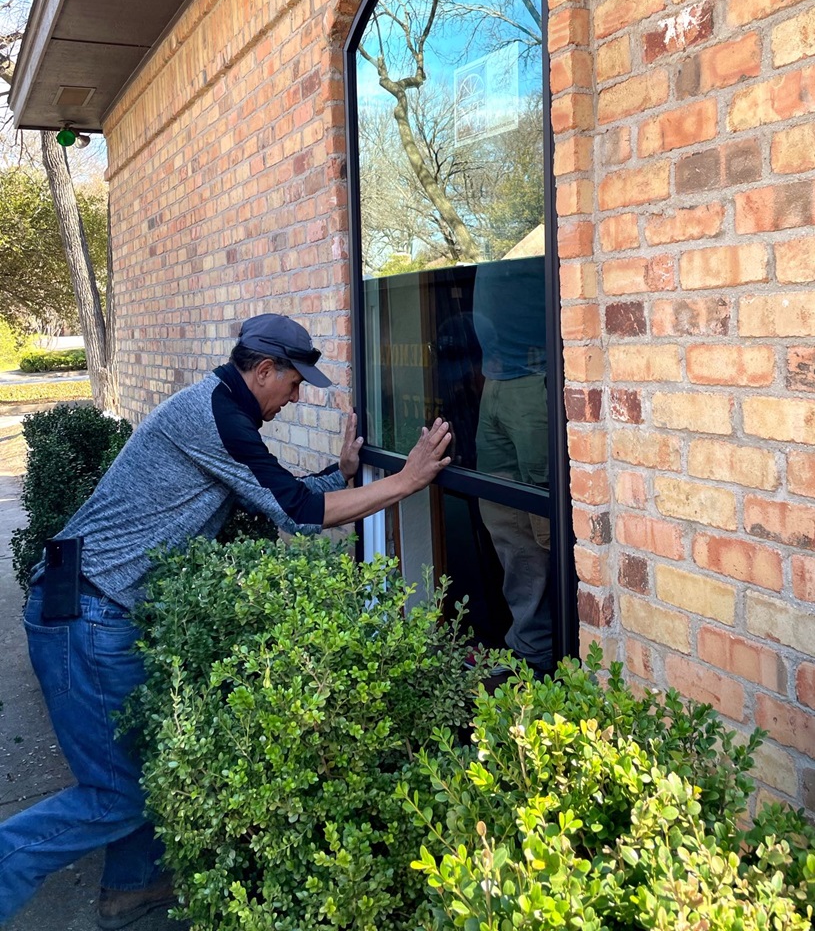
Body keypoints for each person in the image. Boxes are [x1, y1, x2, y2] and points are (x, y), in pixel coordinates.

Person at [0, 313, 451, 929]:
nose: (295, 398)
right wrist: (407, 480)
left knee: (137, 765)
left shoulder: (221, 407)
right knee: (115, 793)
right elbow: (299, 513)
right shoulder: (215, 415)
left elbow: (273, 495)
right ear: (263, 370)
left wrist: (343, 474)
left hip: (94, 605)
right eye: (294, 384)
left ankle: (130, 890)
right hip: (87, 613)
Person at [472, 256, 554, 677]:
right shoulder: (494, 246)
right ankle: (530, 645)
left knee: (547, 524)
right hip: (496, 381)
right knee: (504, 517)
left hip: (534, 378)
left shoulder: (534, 234)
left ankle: (556, 651)